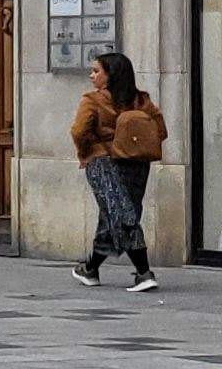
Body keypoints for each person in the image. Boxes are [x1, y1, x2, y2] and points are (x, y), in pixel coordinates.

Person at [72, 50, 168, 292]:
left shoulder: (92, 101)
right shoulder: (142, 101)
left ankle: (143, 273)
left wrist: (90, 152)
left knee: (121, 215)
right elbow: (160, 130)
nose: (91, 76)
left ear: (110, 75)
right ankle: (91, 268)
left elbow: (79, 131)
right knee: (121, 213)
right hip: (137, 163)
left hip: (104, 161)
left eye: (96, 71)